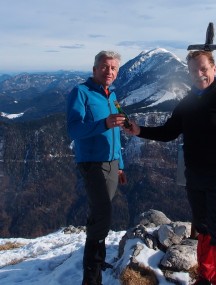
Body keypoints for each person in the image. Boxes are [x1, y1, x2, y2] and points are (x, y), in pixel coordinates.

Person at [125, 50, 216, 285]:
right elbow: (169, 131)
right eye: (193, 70)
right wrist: (140, 130)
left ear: (214, 69)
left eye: (203, 68)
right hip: (195, 176)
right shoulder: (188, 102)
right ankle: (205, 276)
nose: (198, 74)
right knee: (202, 228)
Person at [66, 50, 127, 285]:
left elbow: (115, 135)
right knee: (102, 215)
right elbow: (74, 129)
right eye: (104, 66)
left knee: (100, 213)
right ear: (94, 69)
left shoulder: (113, 95)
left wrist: (120, 165)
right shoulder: (80, 92)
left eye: (113, 68)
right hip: (92, 163)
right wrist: (103, 123)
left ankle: (98, 259)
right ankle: (91, 278)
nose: (109, 71)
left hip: (112, 163)